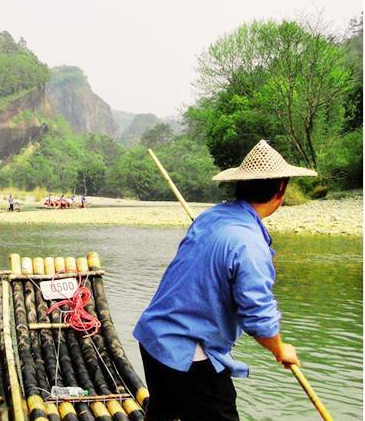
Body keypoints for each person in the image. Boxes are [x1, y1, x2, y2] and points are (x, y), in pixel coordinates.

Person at [133, 140, 317, 421]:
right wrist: (280, 349)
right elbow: (258, 315)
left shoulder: (211, 218)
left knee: (164, 412)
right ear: (280, 189)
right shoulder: (249, 244)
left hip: (153, 336)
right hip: (185, 350)